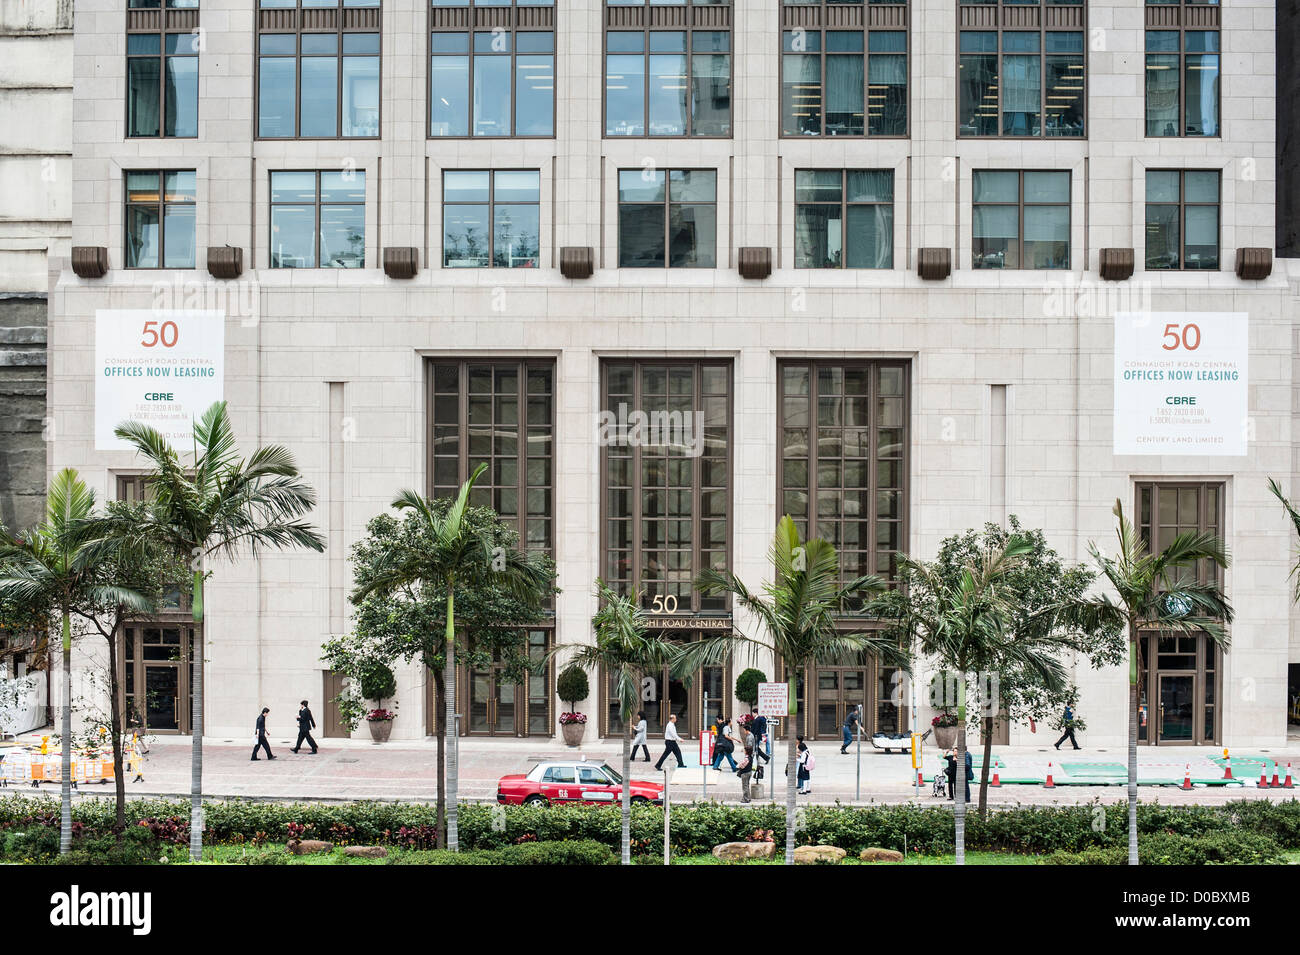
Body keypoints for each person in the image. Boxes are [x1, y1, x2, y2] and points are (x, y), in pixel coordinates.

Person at [736, 725, 755, 802]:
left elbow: (742, 765)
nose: (743, 731)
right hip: (749, 771)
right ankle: (748, 798)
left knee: (745, 786)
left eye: (744, 730)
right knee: (747, 785)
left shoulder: (750, 737)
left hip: (745, 772)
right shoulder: (749, 757)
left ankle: (746, 799)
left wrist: (739, 766)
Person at [750, 707, 770, 775]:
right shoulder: (756, 719)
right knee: (756, 748)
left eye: (753, 713)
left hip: (757, 736)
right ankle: (766, 758)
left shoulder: (760, 718)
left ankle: (765, 758)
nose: (752, 714)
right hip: (755, 736)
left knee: (756, 748)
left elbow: (760, 727)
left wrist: (762, 734)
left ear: (755, 713)